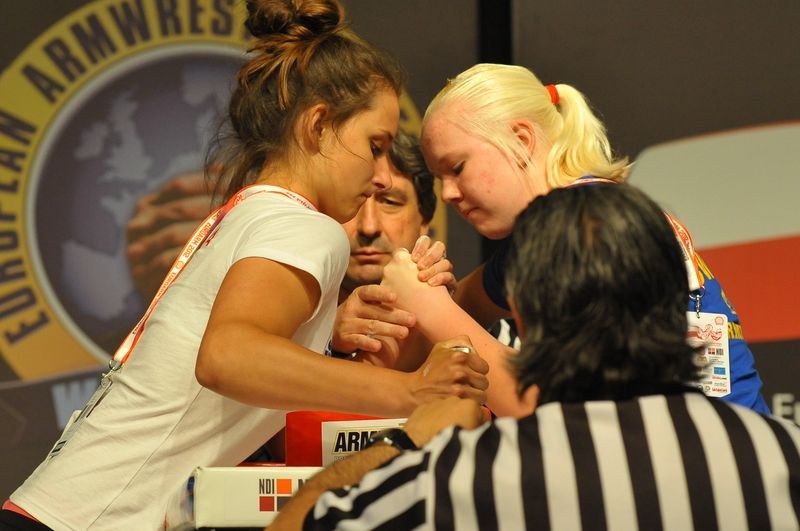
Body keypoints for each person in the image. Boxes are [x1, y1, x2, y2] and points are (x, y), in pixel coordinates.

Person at [1, 2, 488, 529]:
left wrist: (330, 336)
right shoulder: (309, 227)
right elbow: (227, 357)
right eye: (375, 146)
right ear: (318, 125)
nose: (376, 174)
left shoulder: (250, 210)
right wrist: (413, 389)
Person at [270, 183, 800, 531]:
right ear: (675, 299)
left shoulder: (464, 474)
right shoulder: (782, 457)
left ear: (519, 311)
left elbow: (295, 524)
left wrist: (412, 437)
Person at [371, 62, 767, 416]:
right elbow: (459, 313)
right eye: (440, 179)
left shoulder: (592, 221)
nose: (449, 194)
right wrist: (424, 292)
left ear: (523, 140)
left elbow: (541, 405)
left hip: (702, 468)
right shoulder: (550, 232)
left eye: (457, 168)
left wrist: (427, 305)